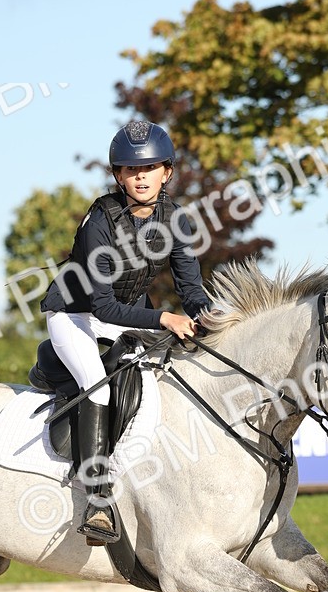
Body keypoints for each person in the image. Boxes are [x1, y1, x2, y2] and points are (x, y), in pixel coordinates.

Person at [39, 119, 212, 545]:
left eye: (150, 168)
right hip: (75, 315)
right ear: (118, 175)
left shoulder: (176, 220)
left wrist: (211, 319)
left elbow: (191, 290)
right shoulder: (100, 218)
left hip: (128, 315)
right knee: (98, 389)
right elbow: (101, 306)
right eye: (131, 170)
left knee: (160, 384)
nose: (141, 176)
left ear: (166, 172)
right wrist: (165, 319)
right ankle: (97, 500)